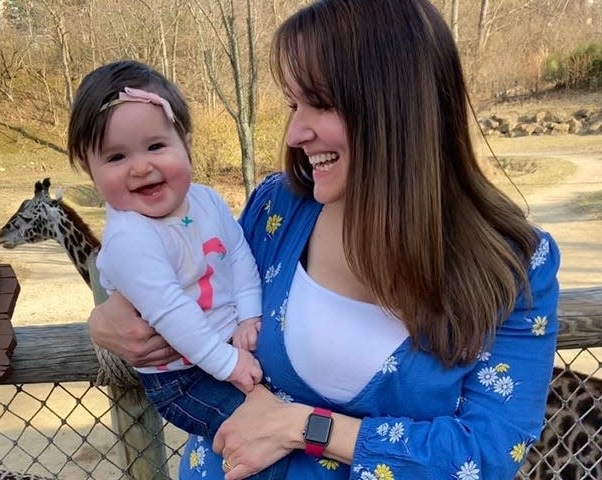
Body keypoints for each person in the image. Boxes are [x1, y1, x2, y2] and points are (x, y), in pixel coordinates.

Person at [87, 1, 561, 479]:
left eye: (321, 103)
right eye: (294, 105)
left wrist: (303, 427)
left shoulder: (515, 268)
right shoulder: (279, 209)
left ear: (397, 106)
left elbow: (487, 454)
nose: (295, 133)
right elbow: (185, 281)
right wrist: (105, 322)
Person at [67, 59, 289, 480]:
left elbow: (238, 254)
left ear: (185, 142)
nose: (140, 166)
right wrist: (227, 362)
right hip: (184, 378)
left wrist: (249, 314)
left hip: (229, 349)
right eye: (115, 156)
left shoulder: (206, 200)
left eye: (155, 147)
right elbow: (170, 311)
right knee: (260, 442)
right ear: (88, 168)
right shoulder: (130, 239)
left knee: (282, 426)